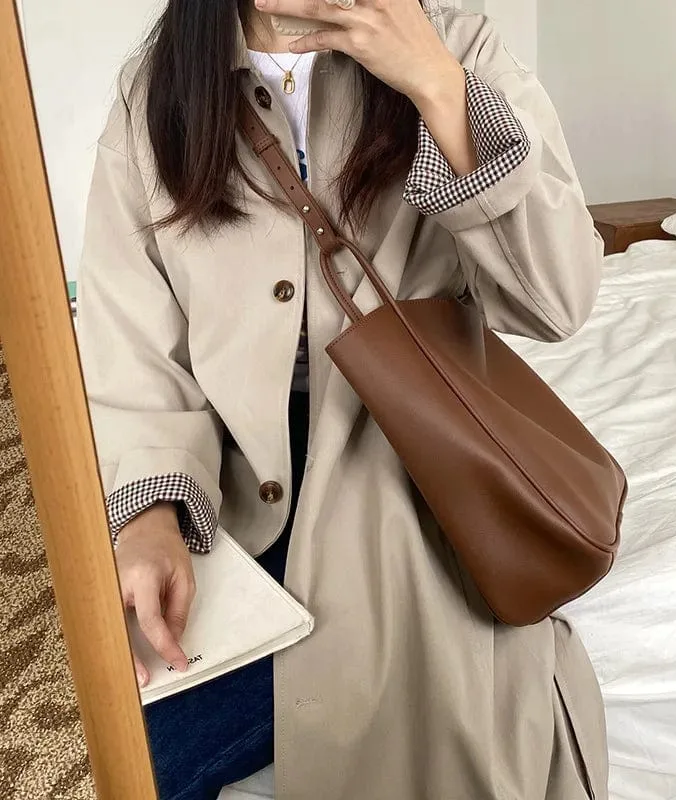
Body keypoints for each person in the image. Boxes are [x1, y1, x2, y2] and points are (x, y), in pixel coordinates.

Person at [78, 0, 607, 798]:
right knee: (108, 745)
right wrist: (148, 508)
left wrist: (438, 86)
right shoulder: (155, 89)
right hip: (228, 467)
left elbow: (557, 300)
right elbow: (132, 341)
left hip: (409, 462)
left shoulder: (455, 42)